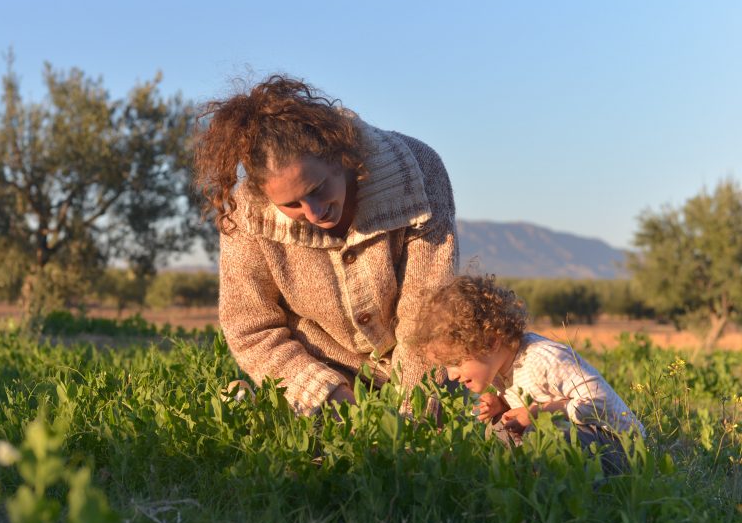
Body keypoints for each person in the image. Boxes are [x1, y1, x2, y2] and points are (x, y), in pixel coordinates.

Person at [193, 75, 457, 415]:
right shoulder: (246, 213)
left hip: (426, 370)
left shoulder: (417, 170)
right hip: (319, 369)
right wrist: (329, 396)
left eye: (317, 189)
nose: (314, 212)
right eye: (292, 205)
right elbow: (251, 328)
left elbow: (428, 309)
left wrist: (409, 418)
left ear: (339, 155)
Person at [406, 274, 644, 471]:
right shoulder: (500, 368)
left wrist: (536, 412)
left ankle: (557, 492)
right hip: (582, 442)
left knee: (545, 437)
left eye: (456, 361)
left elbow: (600, 402)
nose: (451, 376)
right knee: (499, 428)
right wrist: (502, 404)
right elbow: (534, 397)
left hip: (621, 448)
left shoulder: (544, 359)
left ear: (490, 342)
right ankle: (510, 477)